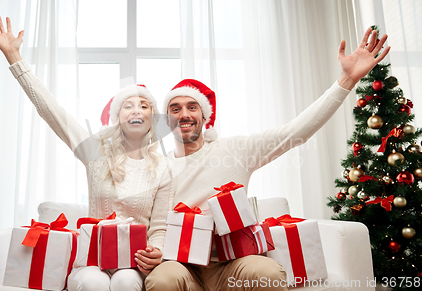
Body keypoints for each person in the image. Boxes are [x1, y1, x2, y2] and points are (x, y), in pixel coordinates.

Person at [144, 28, 390, 291]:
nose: (184, 114)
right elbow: (158, 226)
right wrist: (157, 250)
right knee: (162, 279)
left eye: (192, 107)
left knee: (266, 271)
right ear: (166, 120)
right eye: (175, 108)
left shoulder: (235, 150)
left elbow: (295, 132)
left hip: (233, 264)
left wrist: (345, 81)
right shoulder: (160, 167)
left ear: (205, 117)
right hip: (183, 266)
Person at [0, 15, 174, 291]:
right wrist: (15, 57)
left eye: (145, 105)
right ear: (117, 117)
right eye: (128, 105)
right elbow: (52, 112)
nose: (137, 109)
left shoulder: (162, 168)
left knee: (125, 281)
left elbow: (159, 226)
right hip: (91, 260)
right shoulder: (95, 151)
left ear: (152, 118)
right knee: (91, 281)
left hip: (132, 263)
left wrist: (156, 250)